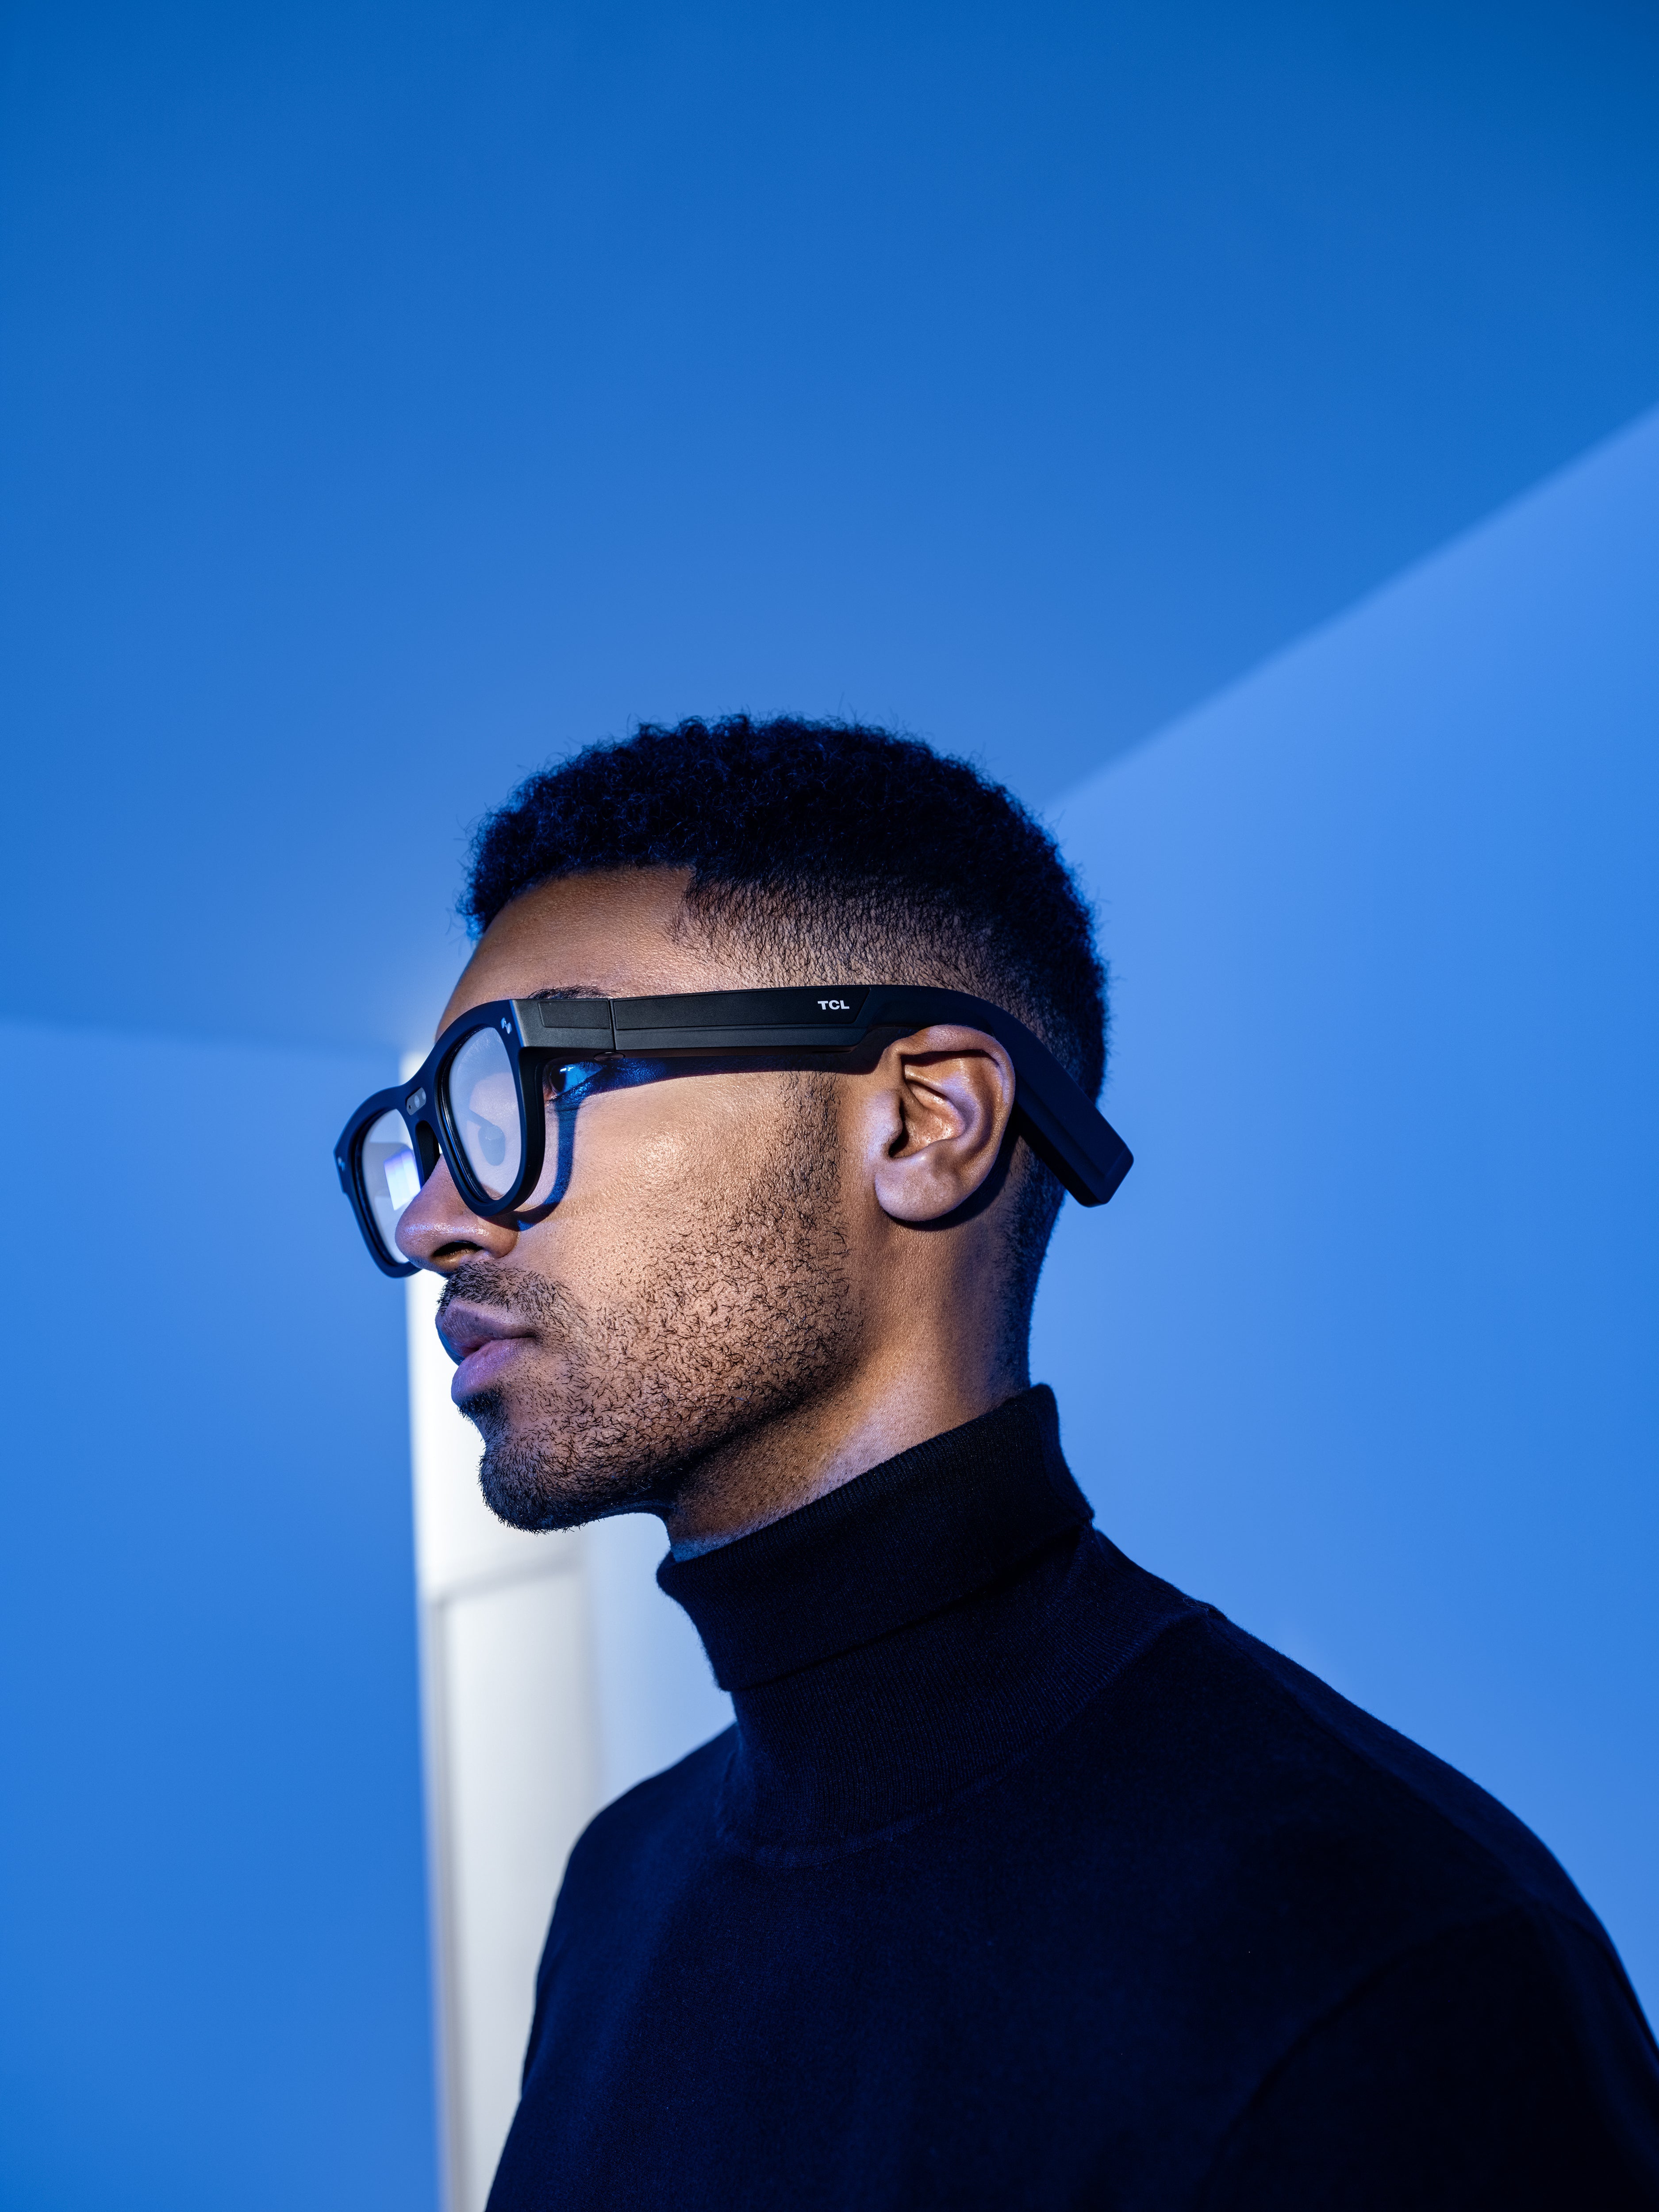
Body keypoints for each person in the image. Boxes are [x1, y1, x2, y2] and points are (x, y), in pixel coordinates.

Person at [339, 716, 1659, 2208]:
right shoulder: (620, 1891)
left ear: (926, 1125)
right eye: (426, 1136)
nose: (432, 1221)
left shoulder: (1379, 1952)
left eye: (532, 1089)